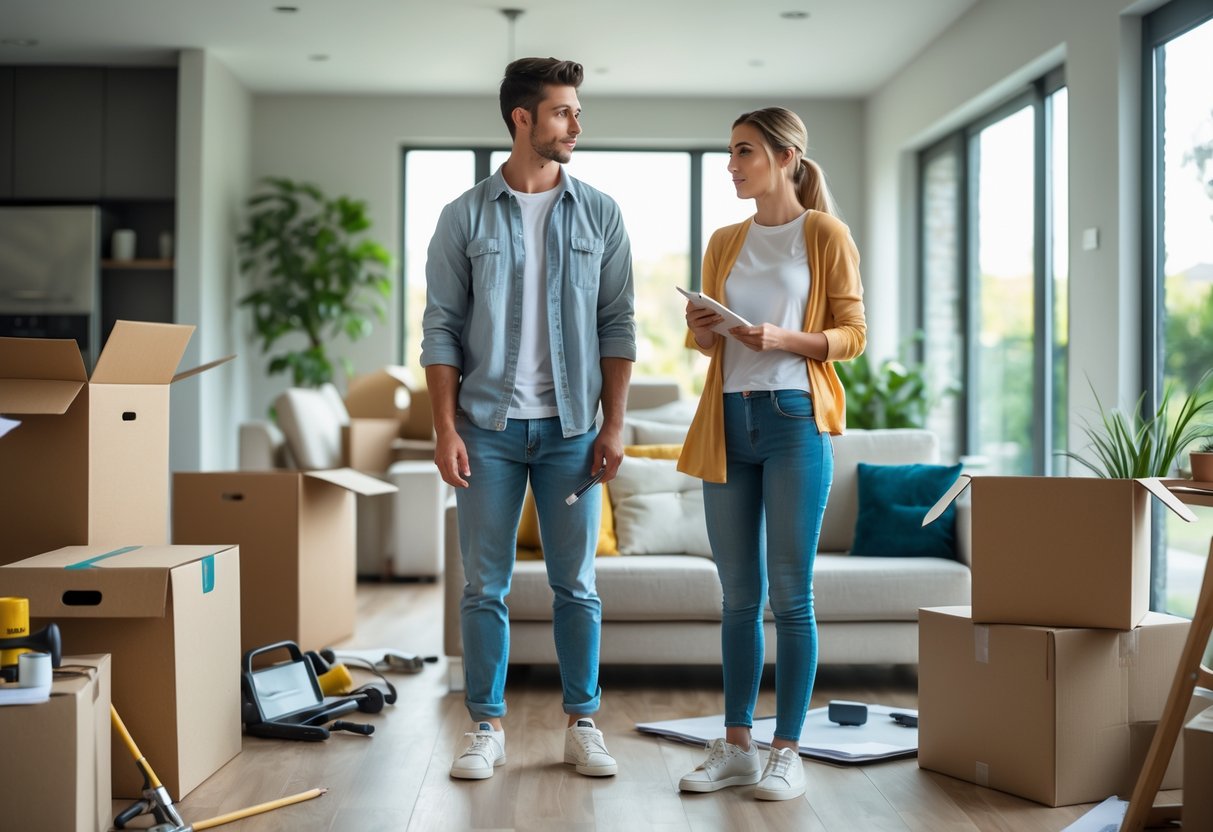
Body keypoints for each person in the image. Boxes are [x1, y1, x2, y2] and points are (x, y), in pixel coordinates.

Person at [421, 57, 636, 781]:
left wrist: (613, 426)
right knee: (485, 585)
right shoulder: (464, 216)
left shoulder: (600, 213)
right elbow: (442, 329)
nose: (577, 123)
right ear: (522, 119)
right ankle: (485, 726)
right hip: (487, 429)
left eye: (576, 111)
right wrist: (445, 428)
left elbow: (618, 324)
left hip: (574, 431)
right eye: (563, 111)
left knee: (577, 584)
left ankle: (583, 723)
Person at [675, 107, 866, 801]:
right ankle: (734, 747)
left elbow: (851, 334)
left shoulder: (823, 233)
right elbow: (708, 348)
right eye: (729, 152)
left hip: (793, 423)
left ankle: (788, 751)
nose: (731, 164)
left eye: (744, 151)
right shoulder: (724, 240)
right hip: (728, 421)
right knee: (736, 598)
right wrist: (703, 327)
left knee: (791, 597)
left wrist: (783, 339)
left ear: (785, 157)